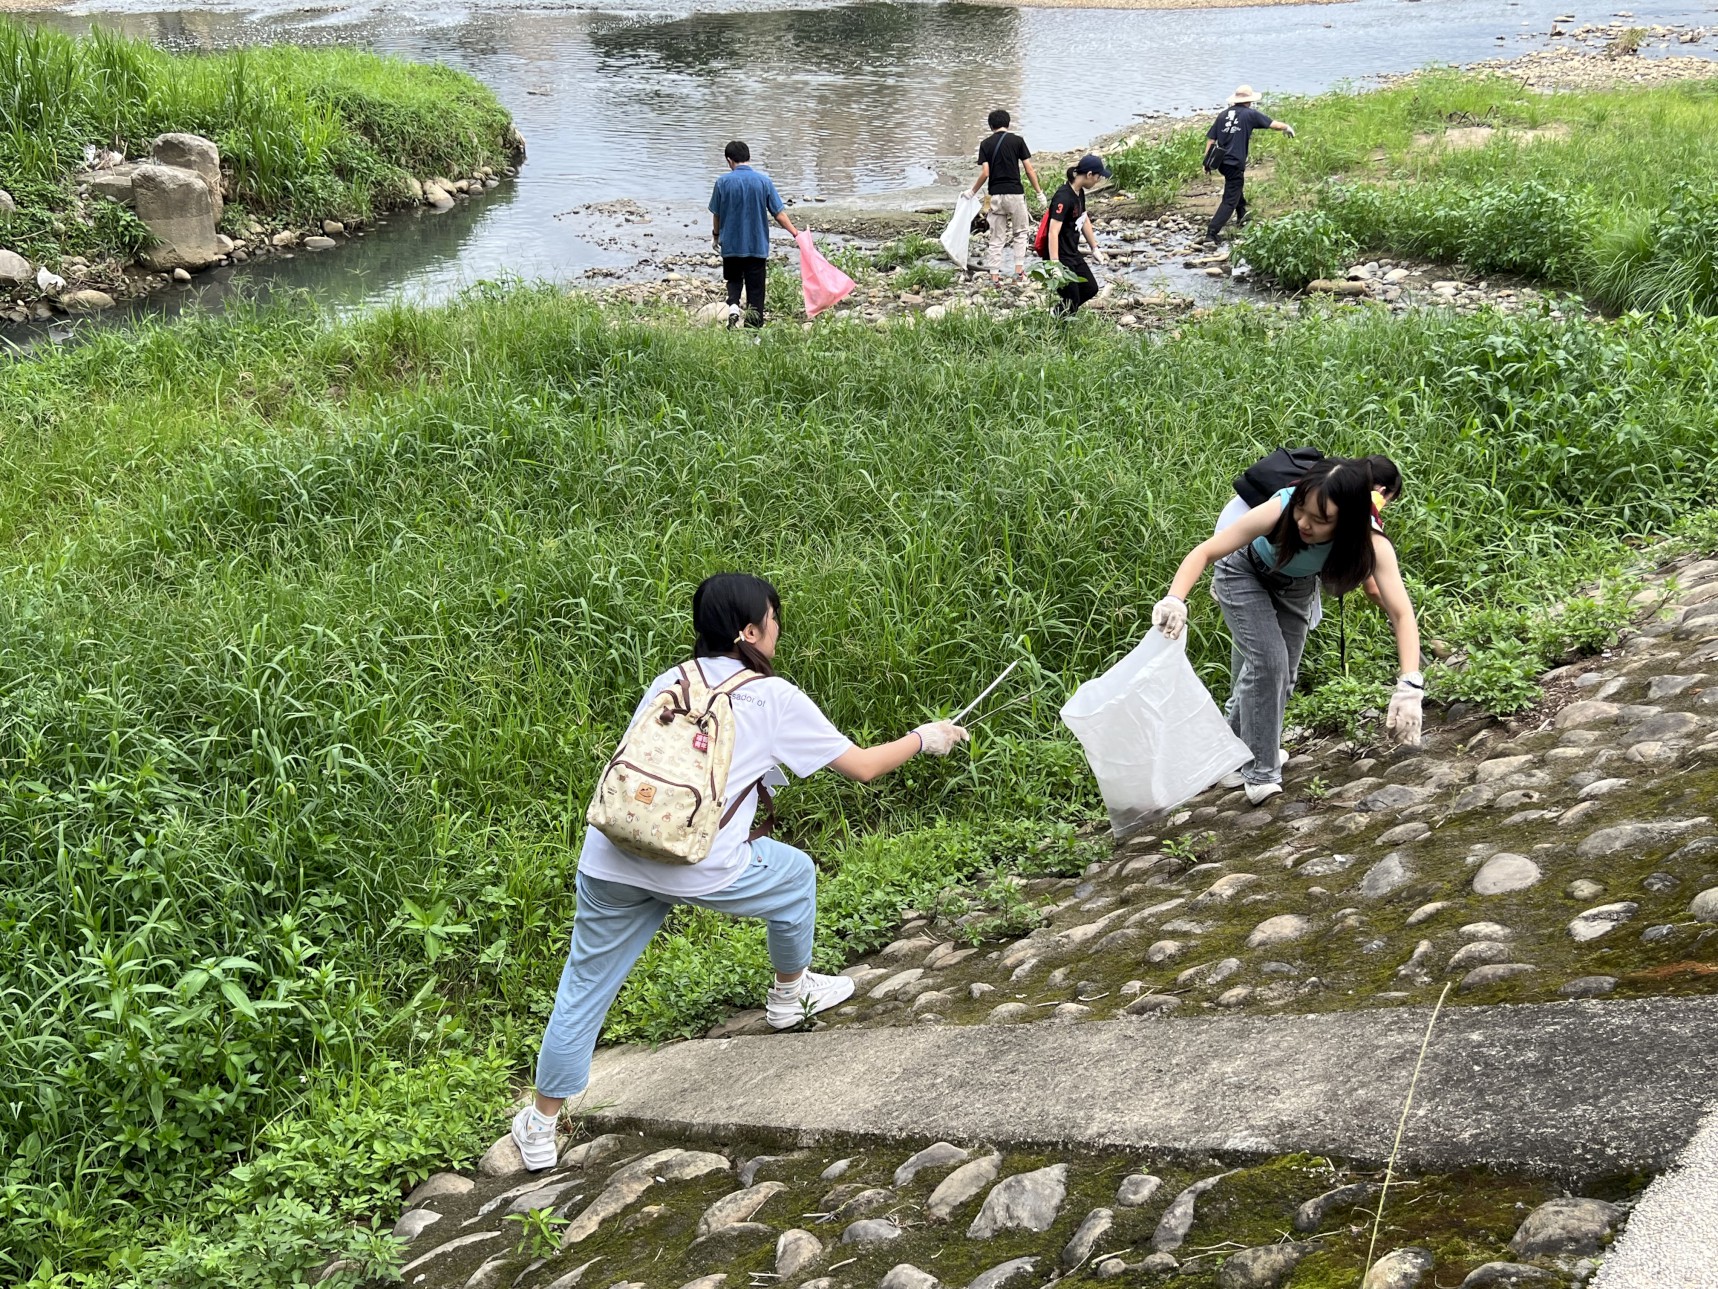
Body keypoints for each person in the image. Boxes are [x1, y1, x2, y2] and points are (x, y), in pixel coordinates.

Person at [510, 573, 968, 1168]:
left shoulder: (670, 680)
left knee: (583, 989)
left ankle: (542, 1126)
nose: (778, 632)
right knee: (797, 876)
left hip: (615, 854)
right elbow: (861, 768)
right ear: (750, 631)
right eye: (773, 621)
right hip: (701, 865)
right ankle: (790, 992)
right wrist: (924, 738)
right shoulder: (773, 697)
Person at [1154, 457, 1424, 805]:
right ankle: (1262, 774)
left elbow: (1402, 613)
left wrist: (1410, 684)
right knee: (1269, 666)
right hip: (1243, 574)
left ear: (1349, 522)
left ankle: (1229, 754)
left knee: (1284, 676)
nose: (1304, 524)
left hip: (1296, 586)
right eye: (1302, 511)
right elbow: (1206, 551)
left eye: (1321, 520)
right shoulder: (1281, 507)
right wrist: (1175, 599)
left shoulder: (1372, 541)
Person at [709, 141, 800, 329]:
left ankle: (733, 305)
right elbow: (779, 214)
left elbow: (716, 214)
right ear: (749, 158)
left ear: (729, 160)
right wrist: (795, 233)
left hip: (732, 245)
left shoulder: (722, 182)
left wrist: (716, 236)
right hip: (756, 245)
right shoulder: (764, 181)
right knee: (756, 291)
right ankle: (754, 333)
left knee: (733, 279)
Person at [1203, 85, 1295, 244]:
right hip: (1235, 161)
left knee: (1236, 184)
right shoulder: (1249, 114)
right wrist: (1287, 127)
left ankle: (1242, 216)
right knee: (1230, 198)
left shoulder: (1223, 115)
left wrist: (1206, 162)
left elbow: (1211, 139)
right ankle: (1212, 232)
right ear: (1249, 101)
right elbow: (1273, 124)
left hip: (1221, 162)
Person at [966, 109, 1045, 289]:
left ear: (990, 125)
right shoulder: (1017, 141)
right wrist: (1039, 192)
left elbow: (985, 173)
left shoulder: (985, 144)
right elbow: (1029, 169)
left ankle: (994, 277)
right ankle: (1018, 272)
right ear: (1008, 123)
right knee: (1020, 233)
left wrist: (972, 192)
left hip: (995, 195)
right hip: (1015, 194)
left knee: (996, 237)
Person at [1045, 154, 1111, 317]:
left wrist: (1094, 248)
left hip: (1072, 252)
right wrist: (1054, 264)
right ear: (1089, 175)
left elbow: (1084, 219)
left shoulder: (1079, 192)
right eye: (1098, 177)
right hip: (1059, 255)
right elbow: (1053, 231)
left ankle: (1058, 314)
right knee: (1072, 298)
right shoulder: (1063, 197)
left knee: (1090, 288)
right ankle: (1057, 325)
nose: (1098, 181)